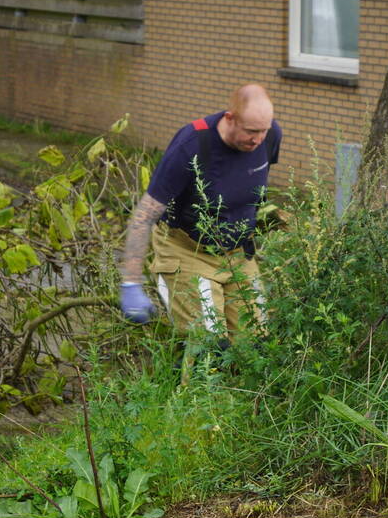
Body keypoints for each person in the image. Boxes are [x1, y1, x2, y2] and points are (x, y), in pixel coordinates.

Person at [118, 84, 282, 342]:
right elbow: (144, 214)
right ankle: (191, 378)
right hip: (188, 251)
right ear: (230, 118)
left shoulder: (270, 137)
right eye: (251, 131)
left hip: (238, 253)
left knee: (256, 345)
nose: (258, 139)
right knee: (209, 346)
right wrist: (131, 283)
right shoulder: (192, 144)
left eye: (264, 130)